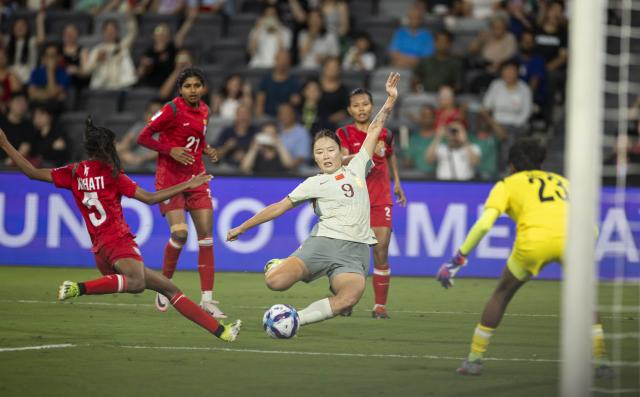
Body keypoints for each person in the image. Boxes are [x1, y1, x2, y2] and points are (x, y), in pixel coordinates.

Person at [0, 119, 241, 342]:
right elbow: (149, 198)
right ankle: (78, 288)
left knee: (169, 289)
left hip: (100, 250)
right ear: (106, 148)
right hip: (118, 243)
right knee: (136, 283)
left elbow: (31, 173)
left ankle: (223, 332)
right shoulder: (112, 174)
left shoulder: (74, 172)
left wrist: (5, 144)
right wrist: (188, 184)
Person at [227, 72, 400, 329]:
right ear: (315, 158)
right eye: (320, 152)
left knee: (348, 298)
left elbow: (375, 128)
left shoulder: (358, 165)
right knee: (275, 282)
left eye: (331, 150)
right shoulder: (313, 183)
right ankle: (280, 265)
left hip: (354, 254)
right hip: (322, 245)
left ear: (341, 153)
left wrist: (390, 100)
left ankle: (296, 320)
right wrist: (243, 227)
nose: (326, 155)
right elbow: (278, 208)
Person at [436, 138, 612, 378]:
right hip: (574, 240)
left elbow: (484, 225)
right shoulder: (563, 182)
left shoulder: (507, 184)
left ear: (511, 165)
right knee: (585, 298)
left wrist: (458, 259)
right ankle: (602, 362)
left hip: (534, 243)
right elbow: (592, 227)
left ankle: (474, 360)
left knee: (502, 294)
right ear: (541, 161)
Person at [136, 67, 226, 318]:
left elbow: (194, 137)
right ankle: (164, 286)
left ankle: (207, 299)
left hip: (196, 177)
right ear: (180, 89)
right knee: (181, 234)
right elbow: (143, 138)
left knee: (206, 236)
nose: (193, 90)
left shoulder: (205, 110)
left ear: (203, 88)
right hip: (171, 180)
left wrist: (206, 148)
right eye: (188, 86)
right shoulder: (171, 109)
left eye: (197, 85)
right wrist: (169, 150)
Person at [336, 87, 407, 318]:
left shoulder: (384, 133)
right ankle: (346, 300)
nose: (361, 109)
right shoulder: (344, 133)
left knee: (381, 251)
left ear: (371, 106)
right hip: (353, 199)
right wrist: (367, 153)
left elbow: (390, 155)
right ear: (349, 110)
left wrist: (397, 183)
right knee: (351, 255)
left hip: (380, 198)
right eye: (356, 105)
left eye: (365, 104)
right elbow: (341, 161)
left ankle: (380, 307)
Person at [389, 5, 434, 69]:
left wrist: (406, 62)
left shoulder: (427, 35)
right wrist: (408, 61)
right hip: (399, 64)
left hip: (419, 67)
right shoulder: (400, 33)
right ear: (408, 18)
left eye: (417, 17)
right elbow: (393, 53)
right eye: (411, 17)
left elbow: (426, 57)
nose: (414, 20)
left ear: (421, 19)